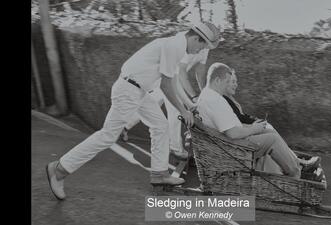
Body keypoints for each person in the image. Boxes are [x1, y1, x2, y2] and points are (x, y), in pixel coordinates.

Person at [46, 22, 222, 200]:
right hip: (129, 90)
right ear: (195, 38)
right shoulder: (175, 46)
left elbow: (174, 82)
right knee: (107, 136)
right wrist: (183, 111)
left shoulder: (177, 45)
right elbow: (166, 85)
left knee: (160, 126)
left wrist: (189, 106)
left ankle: (159, 174)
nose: (200, 50)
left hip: (139, 91)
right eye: (202, 45)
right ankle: (59, 169)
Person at [197, 63, 321, 178]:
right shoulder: (214, 100)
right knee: (273, 139)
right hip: (234, 148)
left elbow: (229, 128)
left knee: (269, 132)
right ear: (217, 80)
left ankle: (298, 167)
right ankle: (297, 174)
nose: (228, 85)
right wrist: (253, 129)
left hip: (229, 143)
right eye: (227, 82)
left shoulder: (208, 96)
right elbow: (232, 133)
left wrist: (252, 129)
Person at [119, 31, 218, 160]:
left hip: (171, 77)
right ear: (201, 39)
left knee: (153, 103)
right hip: (166, 77)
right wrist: (192, 98)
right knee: (176, 110)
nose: (206, 49)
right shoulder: (186, 45)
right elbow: (181, 73)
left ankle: (125, 126)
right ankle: (176, 149)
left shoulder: (204, 47)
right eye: (207, 45)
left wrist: (203, 92)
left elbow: (200, 70)